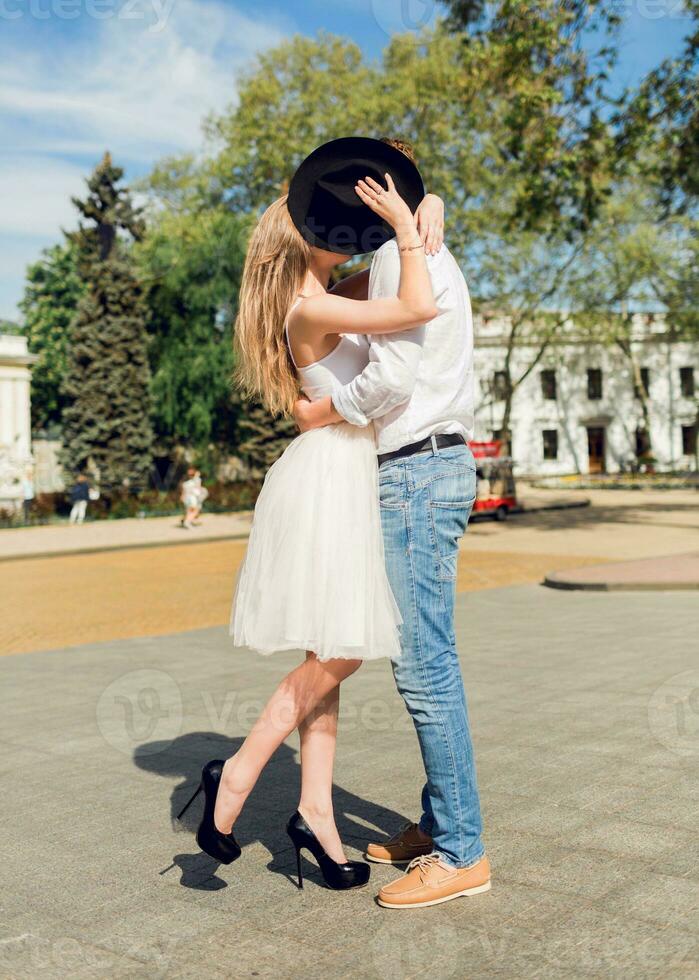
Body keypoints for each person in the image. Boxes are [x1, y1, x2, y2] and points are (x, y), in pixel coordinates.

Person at [176, 137, 443, 891]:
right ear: (303, 235)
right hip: (332, 479)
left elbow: (411, 267)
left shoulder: (335, 291)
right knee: (344, 650)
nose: (343, 228)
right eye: (328, 218)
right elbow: (418, 301)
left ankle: (316, 815)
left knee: (328, 660)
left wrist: (426, 208)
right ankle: (234, 775)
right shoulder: (309, 305)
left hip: (346, 469)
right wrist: (400, 223)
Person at [295, 138, 490, 909]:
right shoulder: (419, 249)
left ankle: (461, 852)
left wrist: (321, 409)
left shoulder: (397, 258)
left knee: (423, 666)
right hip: (433, 466)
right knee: (426, 657)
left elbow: (392, 376)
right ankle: (440, 824)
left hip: (416, 470)